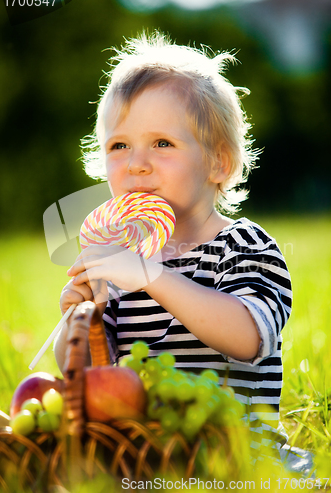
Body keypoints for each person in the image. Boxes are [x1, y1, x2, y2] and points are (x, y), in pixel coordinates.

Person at [54, 31, 292, 458]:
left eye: (162, 143)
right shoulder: (121, 264)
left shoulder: (243, 245)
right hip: (146, 458)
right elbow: (95, 378)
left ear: (219, 161)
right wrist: (77, 320)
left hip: (236, 457)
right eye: (119, 145)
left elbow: (247, 338)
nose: (137, 163)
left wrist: (153, 276)